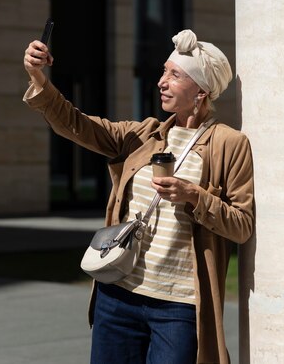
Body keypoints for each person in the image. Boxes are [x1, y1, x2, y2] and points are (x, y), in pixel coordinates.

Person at [23, 28, 254, 364]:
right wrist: (37, 76)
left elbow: (242, 225)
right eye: (164, 71)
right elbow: (75, 123)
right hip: (117, 295)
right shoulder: (142, 135)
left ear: (202, 90)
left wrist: (194, 196)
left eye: (174, 75)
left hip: (178, 307)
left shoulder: (229, 145)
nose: (162, 81)